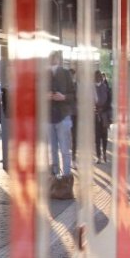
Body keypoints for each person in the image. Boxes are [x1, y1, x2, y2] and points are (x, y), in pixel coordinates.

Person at [48, 51, 75, 189]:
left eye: (55, 57)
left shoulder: (65, 74)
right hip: (48, 117)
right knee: (52, 149)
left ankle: (66, 179)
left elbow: (73, 95)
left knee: (64, 149)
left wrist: (63, 97)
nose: (53, 60)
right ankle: (55, 178)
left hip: (63, 115)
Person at [94, 70, 112, 163]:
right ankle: (100, 156)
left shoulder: (105, 88)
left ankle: (102, 155)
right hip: (99, 115)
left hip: (102, 115)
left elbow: (108, 102)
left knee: (102, 137)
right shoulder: (104, 87)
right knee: (99, 137)